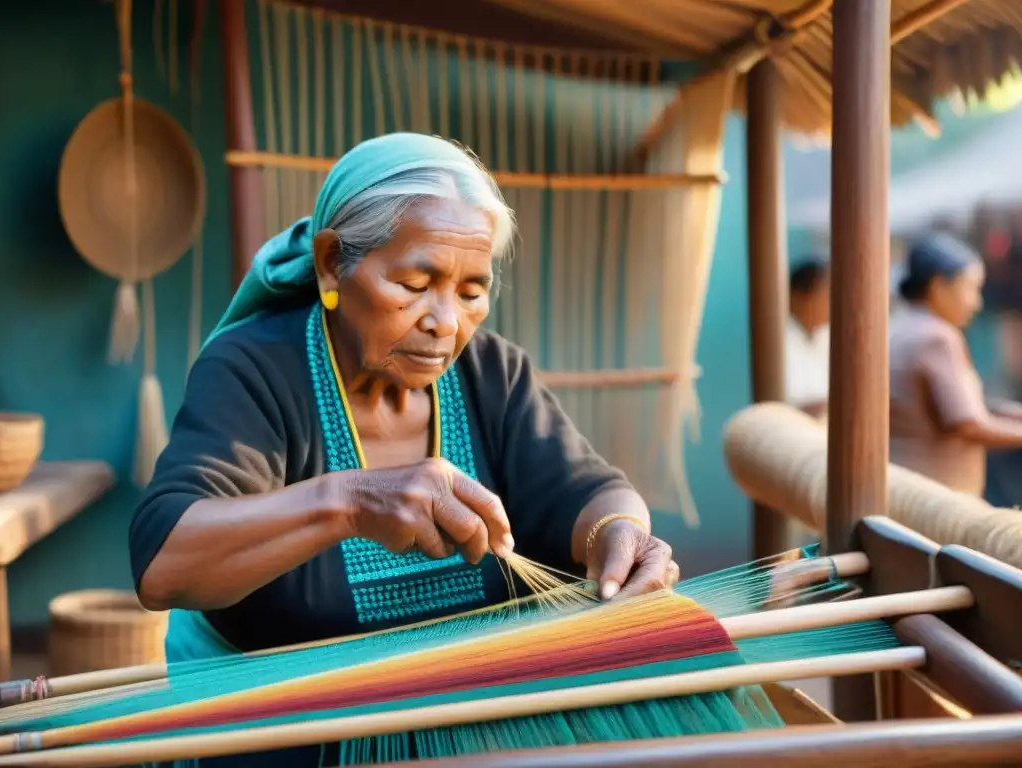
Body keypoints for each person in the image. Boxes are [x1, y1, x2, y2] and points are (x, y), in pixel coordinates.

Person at [129, 133, 678, 766]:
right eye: (417, 283)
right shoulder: (256, 370)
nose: (445, 321)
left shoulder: (491, 376)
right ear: (334, 264)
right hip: (282, 741)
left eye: (471, 291)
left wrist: (623, 534)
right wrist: (351, 501)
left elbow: (585, 491)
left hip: (467, 734)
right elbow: (164, 562)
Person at [890, 231, 1022, 496]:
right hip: (934, 499)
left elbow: (952, 409)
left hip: (905, 489)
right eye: (971, 288)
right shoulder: (937, 337)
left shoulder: (900, 325)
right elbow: (967, 424)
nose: (977, 303)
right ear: (939, 286)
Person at [784, 257, 831, 420]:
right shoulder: (777, 338)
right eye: (827, 293)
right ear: (798, 295)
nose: (833, 302)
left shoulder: (826, 336)